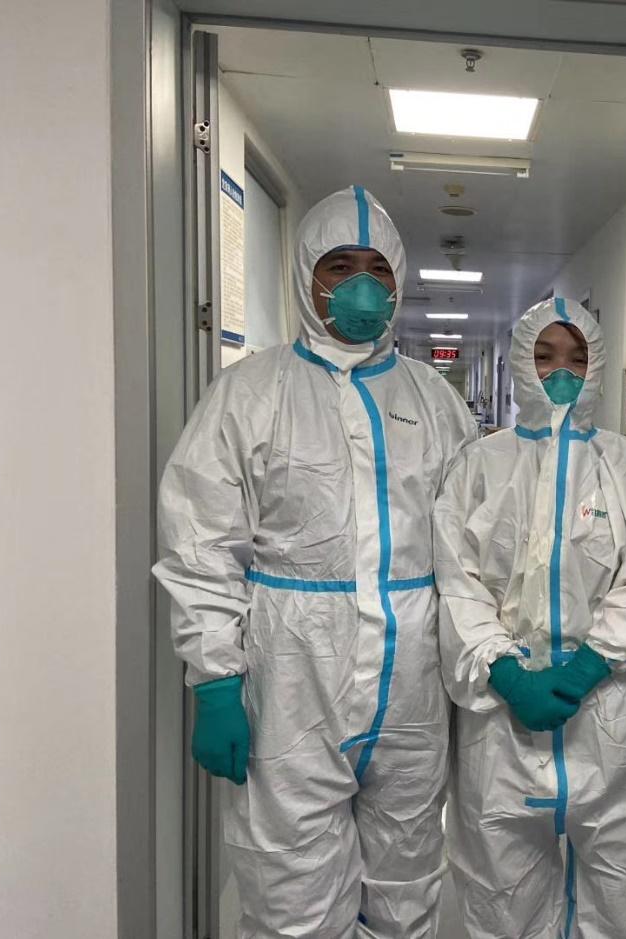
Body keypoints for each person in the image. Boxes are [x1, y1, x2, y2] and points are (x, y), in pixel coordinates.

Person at [154, 186, 475, 939]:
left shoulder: (435, 400)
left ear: (398, 281)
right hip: (292, 682)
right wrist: (216, 680)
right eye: (340, 266)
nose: (361, 286)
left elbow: (472, 545)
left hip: (413, 686)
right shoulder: (249, 393)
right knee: (289, 894)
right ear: (308, 275)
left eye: (377, 269)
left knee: (407, 884)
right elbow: (201, 542)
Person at [434, 298, 626, 939]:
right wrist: (504, 671)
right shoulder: (477, 468)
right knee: (501, 900)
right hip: (504, 725)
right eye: (544, 356)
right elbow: (456, 583)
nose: (561, 372)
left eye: (577, 359)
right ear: (521, 364)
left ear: (597, 367)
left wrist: (587, 667)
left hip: (616, 721)